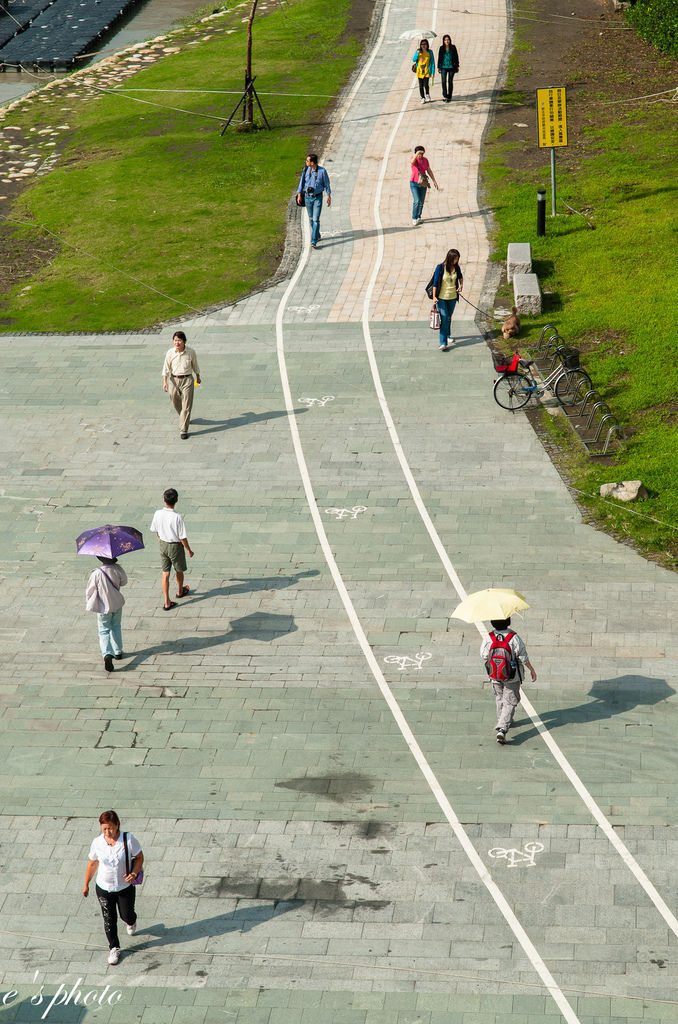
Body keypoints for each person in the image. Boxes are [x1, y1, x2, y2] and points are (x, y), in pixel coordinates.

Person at [82, 810, 144, 966]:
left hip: (124, 887)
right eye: (104, 828)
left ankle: (131, 921)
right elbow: (92, 863)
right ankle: (114, 947)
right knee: (109, 919)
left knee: (126, 914)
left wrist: (134, 873)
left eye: (110, 828)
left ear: (117, 825)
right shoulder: (97, 842)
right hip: (104, 886)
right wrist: (86, 884)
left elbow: (139, 857)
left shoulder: (128, 840)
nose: (107, 832)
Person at [480, 618, 537, 744]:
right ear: (509, 622)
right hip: (512, 675)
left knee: (499, 697)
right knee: (511, 700)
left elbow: (484, 655)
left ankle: (502, 719)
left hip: (494, 674)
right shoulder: (513, 637)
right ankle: (502, 728)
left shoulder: (489, 637)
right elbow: (523, 657)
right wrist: (532, 669)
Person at [150, 488, 194, 611]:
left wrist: (159, 538)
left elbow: (155, 529)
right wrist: (189, 550)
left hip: (163, 545)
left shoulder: (157, 513)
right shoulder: (177, 517)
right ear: (177, 500)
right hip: (175, 546)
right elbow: (182, 537)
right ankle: (180, 591)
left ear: (164, 500)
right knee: (179, 570)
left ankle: (167, 602)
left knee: (165, 573)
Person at [85, 555, 127, 673]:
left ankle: (107, 653)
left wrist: (89, 601)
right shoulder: (118, 569)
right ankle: (118, 651)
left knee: (103, 630)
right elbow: (124, 581)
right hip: (117, 603)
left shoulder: (96, 573)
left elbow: (90, 590)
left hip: (103, 607)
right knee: (116, 626)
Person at [162, 330, 201, 440]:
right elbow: (165, 368)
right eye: (175, 340)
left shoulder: (191, 352)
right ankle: (183, 416)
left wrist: (198, 377)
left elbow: (195, 365)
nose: (177, 343)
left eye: (179, 340)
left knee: (187, 405)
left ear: (184, 341)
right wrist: (164, 382)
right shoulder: (170, 353)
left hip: (187, 379)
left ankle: (183, 429)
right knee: (174, 400)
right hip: (174, 380)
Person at [295, 154, 331, 250]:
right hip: (307, 197)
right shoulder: (306, 170)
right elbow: (301, 182)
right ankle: (317, 234)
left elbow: (327, 184)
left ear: (312, 162)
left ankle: (313, 240)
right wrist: (299, 194)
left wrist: (328, 195)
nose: (306, 162)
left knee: (315, 219)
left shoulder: (322, 172)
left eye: (307, 161)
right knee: (311, 218)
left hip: (317, 198)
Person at [430, 248, 463, 350]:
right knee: (444, 318)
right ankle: (443, 343)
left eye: (457, 259)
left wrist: (461, 285)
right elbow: (435, 283)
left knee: (448, 317)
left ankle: (448, 335)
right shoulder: (440, 268)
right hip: (441, 298)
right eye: (455, 259)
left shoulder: (456, 267)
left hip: (452, 297)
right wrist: (434, 297)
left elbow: (460, 277)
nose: (456, 261)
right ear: (450, 258)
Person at [409, 146, 439, 226]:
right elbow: (412, 162)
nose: (421, 155)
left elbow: (429, 170)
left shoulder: (425, 160)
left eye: (422, 153)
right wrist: (416, 154)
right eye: (420, 153)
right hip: (414, 183)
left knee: (421, 201)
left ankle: (419, 216)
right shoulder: (414, 159)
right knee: (417, 200)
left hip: (423, 183)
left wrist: (434, 181)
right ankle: (414, 217)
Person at [412, 38, 435, 103]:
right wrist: (417, 54)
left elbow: (432, 62)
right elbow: (414, 60)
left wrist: (432, 72)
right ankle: (422, 97)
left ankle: (427, 94)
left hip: (427, 71)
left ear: (427, 45)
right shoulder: (418, 52)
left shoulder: (430, 52)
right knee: (421, 85)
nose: (423, 46)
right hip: (420, 72)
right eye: (422, 44)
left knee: (426, 84)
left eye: (425, 44)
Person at [437, 35, 460, 102]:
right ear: (443, 41)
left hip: (451, 66)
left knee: (450, 81)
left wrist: (457, 65)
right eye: (445, 40)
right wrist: (439, 67)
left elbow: (456, 56)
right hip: (443, 66)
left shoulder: (453, 47)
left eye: (448, 40)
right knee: (443, 81)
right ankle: (444, 95)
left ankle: (449, 96)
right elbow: (439, 57)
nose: (447, 41)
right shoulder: (441, 48)